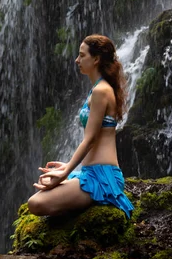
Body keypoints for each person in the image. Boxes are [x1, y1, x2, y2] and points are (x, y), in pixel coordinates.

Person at [27, 34, 134, 218]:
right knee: (44, 181)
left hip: (102, 177)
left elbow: (90, 139)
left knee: (35, 203)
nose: (77, 60)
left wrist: (66, 171)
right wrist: (69, 168)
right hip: (90, 172)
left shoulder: (101, 91)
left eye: (82, 55)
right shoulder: (98, 88)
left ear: (96, 59)